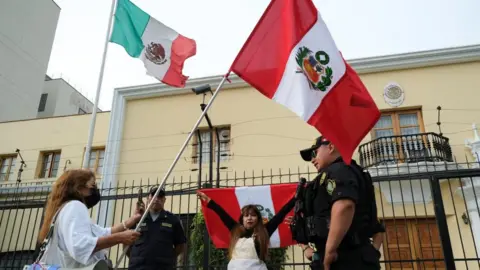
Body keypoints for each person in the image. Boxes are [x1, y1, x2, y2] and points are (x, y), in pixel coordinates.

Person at [295, 136, 384, 270]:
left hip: (344, 258)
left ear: (331, 147)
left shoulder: (339, 170)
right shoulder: (346, 173)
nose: (312, 160)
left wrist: (330, 251)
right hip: (347, 256)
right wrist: (372, 253)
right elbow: (375, 225)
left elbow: (344, 206)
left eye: (315, 153)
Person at [36, 169, 141, 268]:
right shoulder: (75, 206)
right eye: (93, 185)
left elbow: (103, 232)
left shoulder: (66, 209)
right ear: (79, 188)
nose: (95, 190)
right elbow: (80, 247)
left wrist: (131, 220)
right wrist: (120, 238)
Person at [196, 190, 296, 270]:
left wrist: (295, 199)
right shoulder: (235, 229)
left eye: (253, 215)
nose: (249, 218)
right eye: (246, 215)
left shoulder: (265, 230)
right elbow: (222, 214)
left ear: (258, 218)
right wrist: (209, 201)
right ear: (242, 219)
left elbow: (281, 214)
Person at [126, 187, 187, 270]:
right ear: (148, 198)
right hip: (138, 267)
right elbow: (126, 242)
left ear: (164, 200)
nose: (157, 199)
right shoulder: (137, 218)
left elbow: (180, 245)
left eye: (160, 196)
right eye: (154, 195)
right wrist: (136, 258)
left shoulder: (172, 220)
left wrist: (167, 258)